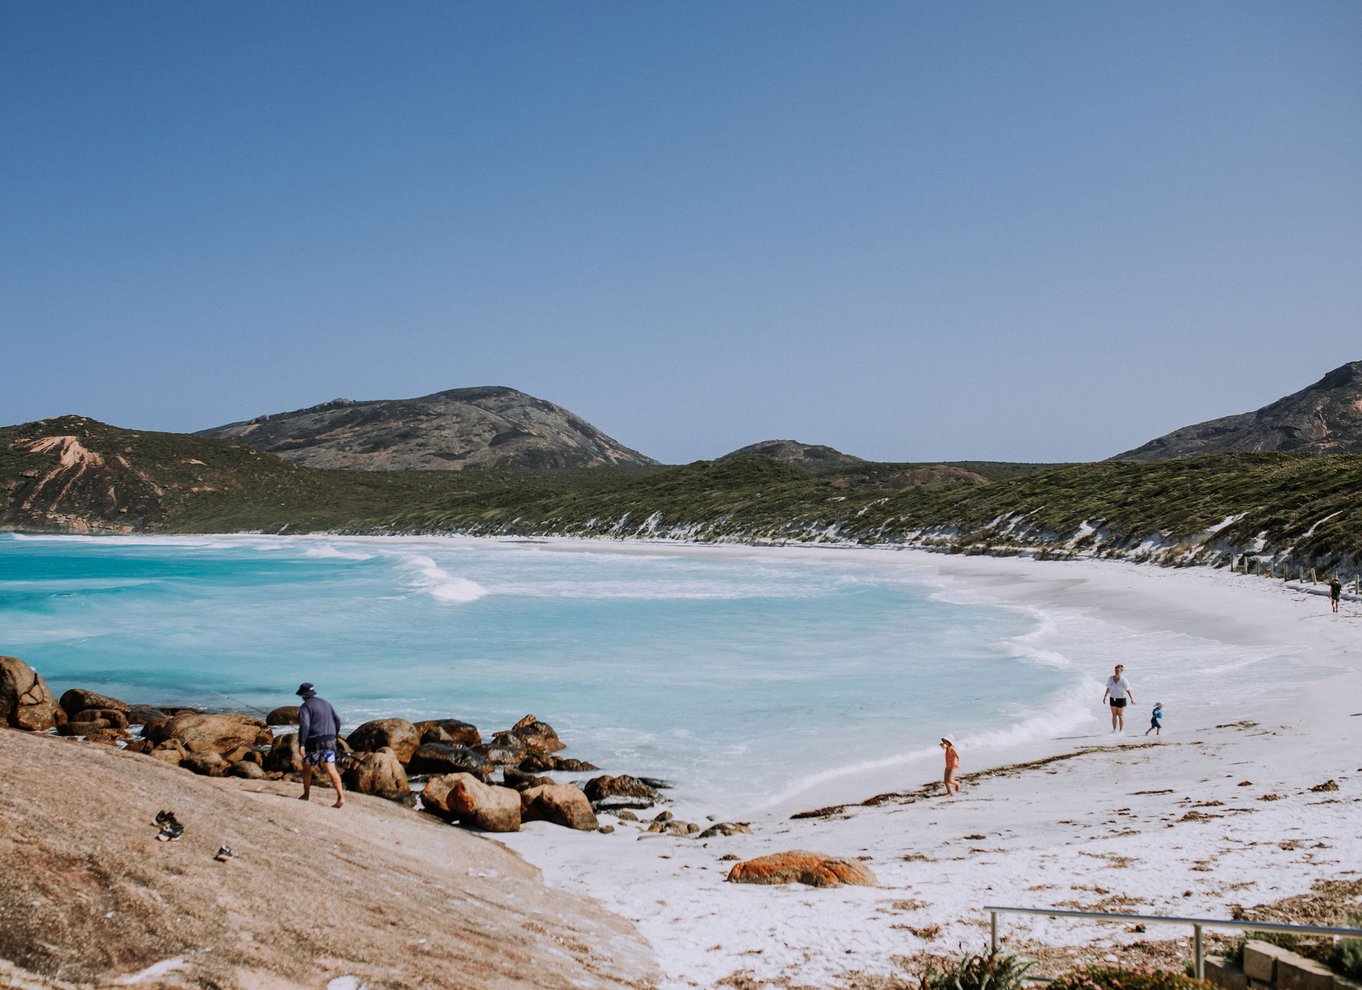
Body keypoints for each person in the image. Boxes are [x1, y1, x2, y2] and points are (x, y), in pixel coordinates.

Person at [296, 682, 344, 808]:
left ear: (303, 695)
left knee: (307, 768)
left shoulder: (305, 706)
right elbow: (337, 721)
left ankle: (306, 795)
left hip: (314, 743)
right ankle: (341, 797)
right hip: (329, 741)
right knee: (331, 770)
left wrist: (301, 744)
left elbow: (305, 726)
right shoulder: (326, 704)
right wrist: (334, 735)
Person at [1101, 663, 1135, 733]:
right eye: (1115, 670)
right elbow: (1108, 688)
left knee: (1120, 715)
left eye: (1118, 671)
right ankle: (1114, 730)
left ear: (1121, 671)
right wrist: (1105, 697)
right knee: (1113, 715)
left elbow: (1128, 690)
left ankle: (1121, 731)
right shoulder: (1110, 678)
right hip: (1112, 698)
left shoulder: (1124, 680)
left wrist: (1131, 699)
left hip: (1121, 699)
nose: (1116, 672)